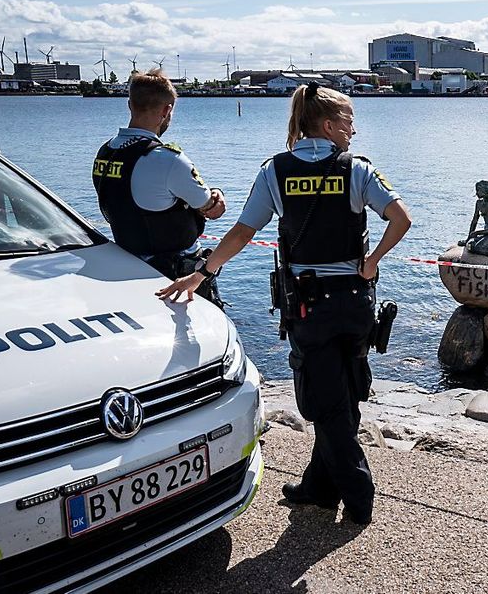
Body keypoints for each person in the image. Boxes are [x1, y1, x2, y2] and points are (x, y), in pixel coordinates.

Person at [157, 82, 411, 525]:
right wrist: (371, 262)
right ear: (329, 125)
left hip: (308, 306)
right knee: (344, 390)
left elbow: (241, 232)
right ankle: (319, 486)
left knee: (326, 398)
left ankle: (358, 492)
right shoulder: (358, 170)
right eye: (349, 121)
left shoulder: (275, 171)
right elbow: (401, 218)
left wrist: (204, 271)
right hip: (355, 304)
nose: (353, 129)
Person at [93, 68, 227, 306]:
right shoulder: (167, 159)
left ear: (129, 105)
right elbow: (212, 209)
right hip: (175, 276)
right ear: (167, 111)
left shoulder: (106, 153)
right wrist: (218, 195)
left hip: (127, 266)